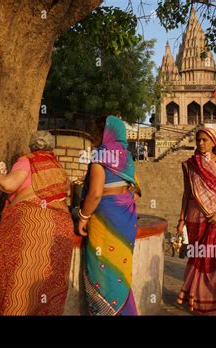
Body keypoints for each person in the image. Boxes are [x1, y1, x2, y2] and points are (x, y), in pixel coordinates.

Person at [0, 131, 74, 315]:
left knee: (19, 285)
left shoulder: (28, 160)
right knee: (47, 287)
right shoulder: (58, 168)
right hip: (61, 230)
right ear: (52, 149)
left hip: (33, 225)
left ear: (31, 147)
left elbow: (9, 184)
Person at [78, 115, 141, 315]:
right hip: (126, 217)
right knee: (120, 272)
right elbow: (136, 192)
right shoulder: (127, 157)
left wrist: (83, 217)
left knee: (102, 273)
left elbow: (95, 193)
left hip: (105, 218)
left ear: (104, 133)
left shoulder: (100, 156)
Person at [176, 128, 216, 315]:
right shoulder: (190, 165)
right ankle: (203, 301)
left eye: (205, 140)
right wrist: (181, 219)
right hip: (196, 218)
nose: (201, 143)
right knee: (199, 258)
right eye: (198, 140)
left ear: (213, 142)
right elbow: (187, 193)